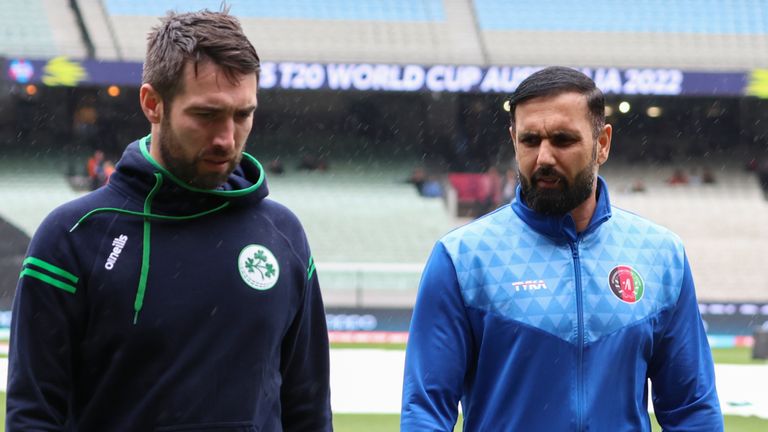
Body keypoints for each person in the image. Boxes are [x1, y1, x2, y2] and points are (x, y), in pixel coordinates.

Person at [7, 9, 331, 431]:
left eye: (242, 115)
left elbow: (308, 410)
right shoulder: (71, 237)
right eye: (206, 114)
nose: (226, 138)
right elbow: (33, 416)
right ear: (152, 103)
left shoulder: (283, 236)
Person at [401, 67, 722, 431]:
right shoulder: (462, 258)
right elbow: (425, 411)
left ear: (602, 143)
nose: (544, 158)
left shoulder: (660, 255)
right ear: (513, 140)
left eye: (563, 140)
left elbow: (692, 408)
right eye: (530, 140)